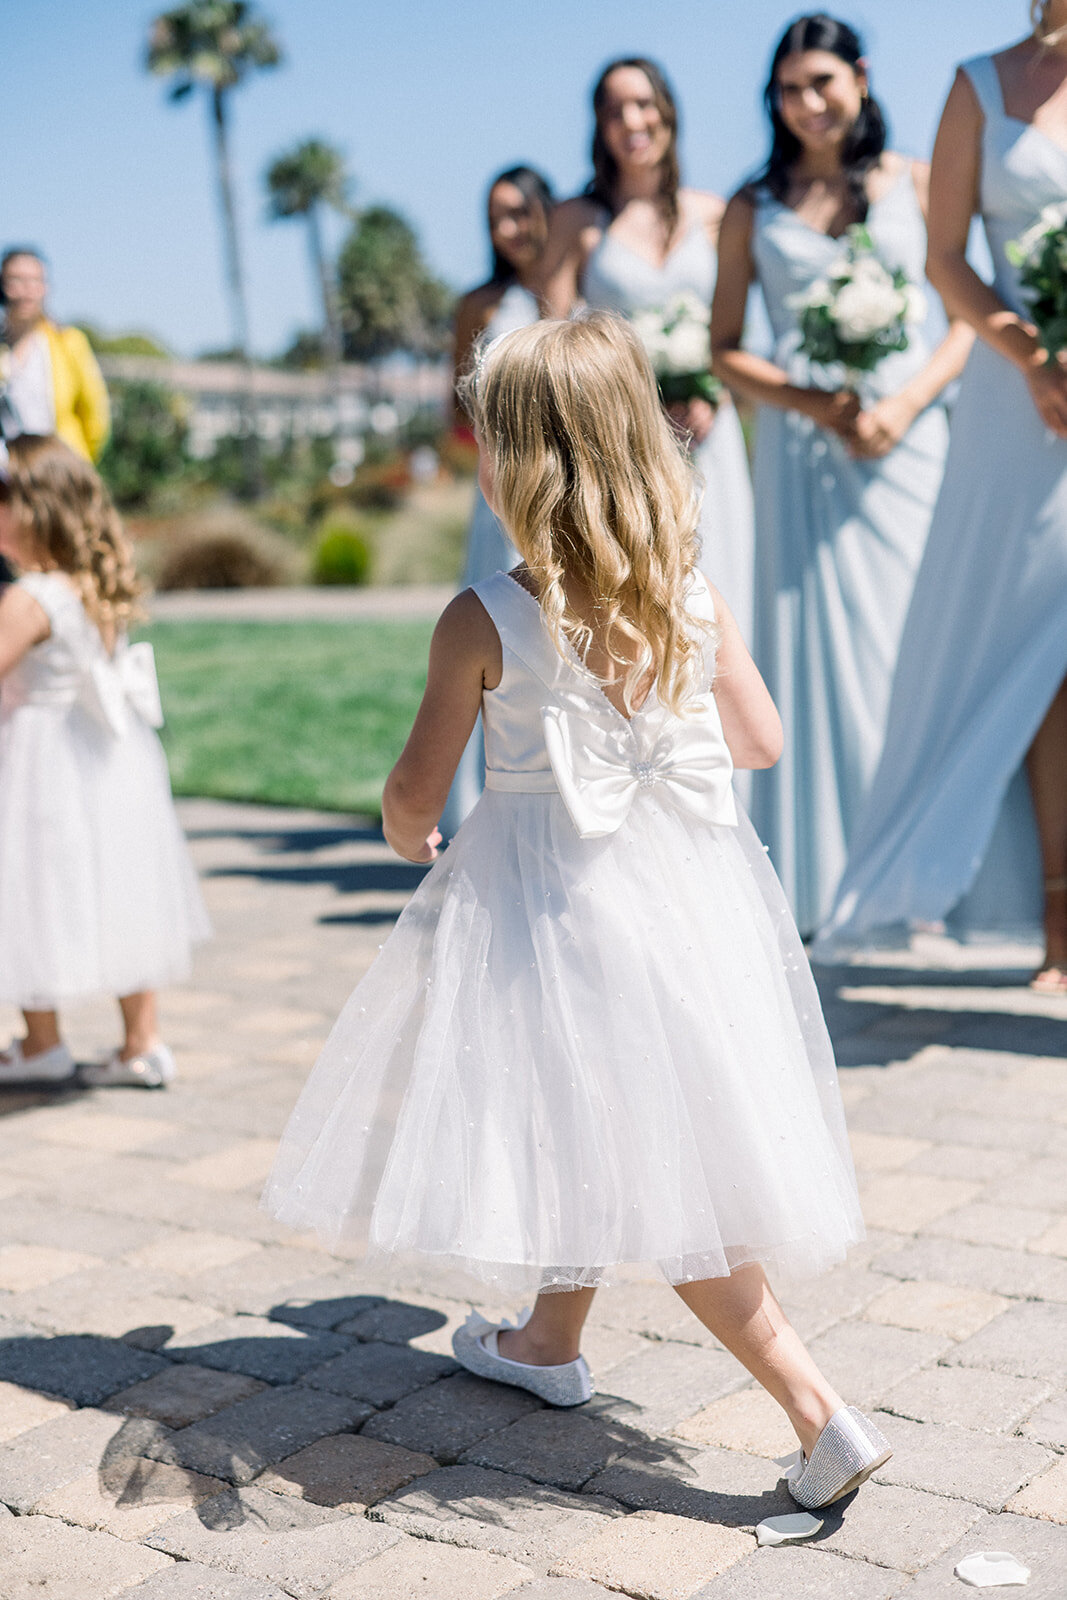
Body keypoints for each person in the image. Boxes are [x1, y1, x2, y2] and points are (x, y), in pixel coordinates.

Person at [265, 312, 889, 1511]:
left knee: (668, 1172)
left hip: (554, 915)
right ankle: (550, 1338)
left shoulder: (483, 618)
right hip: (685, 901)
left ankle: (817, 1413)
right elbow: (755, 737)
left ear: (517, 463)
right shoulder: (686, 594)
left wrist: (412, 838)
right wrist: (656, 731)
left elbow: (409, 795)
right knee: (591, 1114)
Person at [817, 3, 1067, 987]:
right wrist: (1032, 357)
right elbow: (942, 258)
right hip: (1019, 410)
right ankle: (1056, 920)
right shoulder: (976, 83)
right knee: (1034, 654)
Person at [711, 15, 973, 936]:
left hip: (912, 443)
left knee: (919, 646)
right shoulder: (753, 206)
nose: (807, 103)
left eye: (821, 81)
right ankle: (827, 882)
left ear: (859, 77)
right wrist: (815, 404)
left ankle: (931, 876)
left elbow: (963, 320)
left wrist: (901, 407)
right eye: (788, 89)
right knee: (820, 655)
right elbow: (723, 348)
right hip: (805, 454)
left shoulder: (913, 180)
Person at [0, 435, 210, 1088]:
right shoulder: (90, 585)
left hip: (42, 760)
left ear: (31, 511)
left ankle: (42, 1042)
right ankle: (141, 1044)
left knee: (30, 885)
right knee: (124, 888)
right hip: (110, 759)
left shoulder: (30, 596)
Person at [540, 58, 755, 650]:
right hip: (622, 442)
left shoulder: (715, 214)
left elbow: (735, 329)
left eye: (643, 104)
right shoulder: (576, 220)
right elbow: (551, 343)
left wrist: (715, 390)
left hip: (710, 437)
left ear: (668, 113)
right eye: (614, 110)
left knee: (720, 586)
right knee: (634, 600)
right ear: (599, 128)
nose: (632, 120)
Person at [441, 167, 555, 838]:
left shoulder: (574, 290)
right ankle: (490, 803)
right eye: (494, 218)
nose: (506, 229)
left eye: (518, 212)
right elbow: (450, 410)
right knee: (502, 627)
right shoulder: (477, 305)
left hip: (569, 490)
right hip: (501, 495)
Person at [0, 249, 110, 462]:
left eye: (34, 281)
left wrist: (78, 465)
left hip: (58, 470)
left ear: (45, 287)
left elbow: (96, 415)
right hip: (8, 471)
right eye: (16, 281)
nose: (26, 291)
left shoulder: (68, 342)